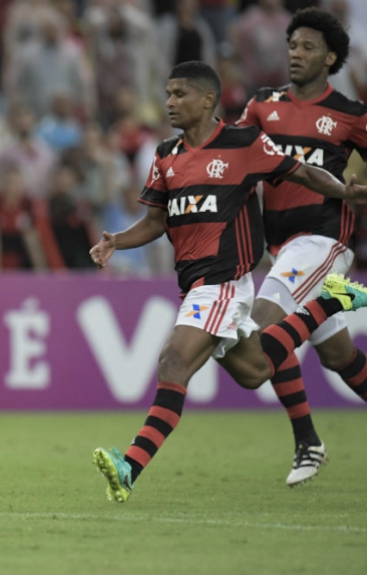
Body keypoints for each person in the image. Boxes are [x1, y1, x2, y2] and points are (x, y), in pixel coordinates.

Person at [89, 61, 367, 503]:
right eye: (167, 93)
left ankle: (130, 467)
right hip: (194, 284)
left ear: (208, 100)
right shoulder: (166, 155)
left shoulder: (244, 143)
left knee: (172, 362)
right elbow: (156, 221)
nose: (170, 102)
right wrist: (116, 242)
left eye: (180, 94)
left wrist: (343, 192)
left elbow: (303, 172)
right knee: (254, 371)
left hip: (224, 281)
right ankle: (332, 303)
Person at [235, 8, 367, 487]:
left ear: (331, 57)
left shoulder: (351, 114)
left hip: (323, 241)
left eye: (308, 47)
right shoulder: (260, 106)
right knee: (337, 357)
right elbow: (232, 158)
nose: (296, 53)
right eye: (292, 45)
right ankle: (310, 441)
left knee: (262, 329)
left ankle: (307, 440)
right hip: (280, 246)